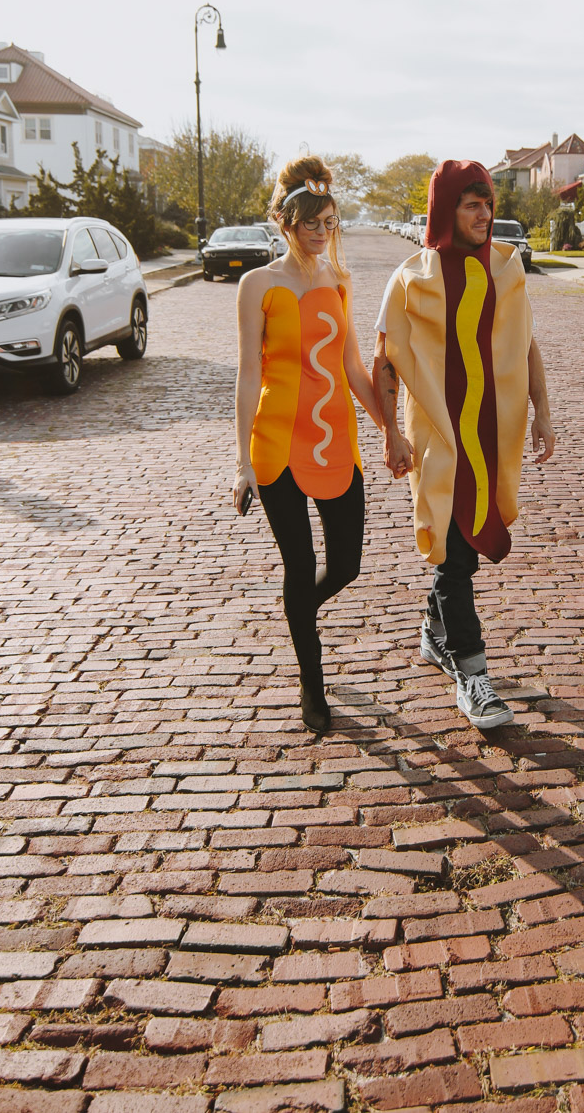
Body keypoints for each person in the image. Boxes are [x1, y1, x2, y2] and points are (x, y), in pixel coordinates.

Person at [373, 159, 556, 730]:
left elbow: (526, 344)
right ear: (445, 209)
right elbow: (384, 361)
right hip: (439, 438)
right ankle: (473, 677)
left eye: (488, 203)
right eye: (472, 204)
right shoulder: (411, 278)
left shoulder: (506, 268)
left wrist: (542, 411)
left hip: (490, 438)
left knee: (465, 550)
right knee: (454, 554)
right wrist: (391, 433)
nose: (486, 214)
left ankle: (434, 632)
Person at [233, 156, 380, 737]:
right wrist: (242, 462)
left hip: (336, 440)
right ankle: (312, 687)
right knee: (300, 566)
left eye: (330, 223)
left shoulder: (339, 283)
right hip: (276, 443)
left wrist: (389, 429)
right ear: (285, 222)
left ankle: (300, 615)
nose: (322, 233)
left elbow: (352, 369)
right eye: (311, 223)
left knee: (347, 564)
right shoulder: (258, 285)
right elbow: (248, 374)